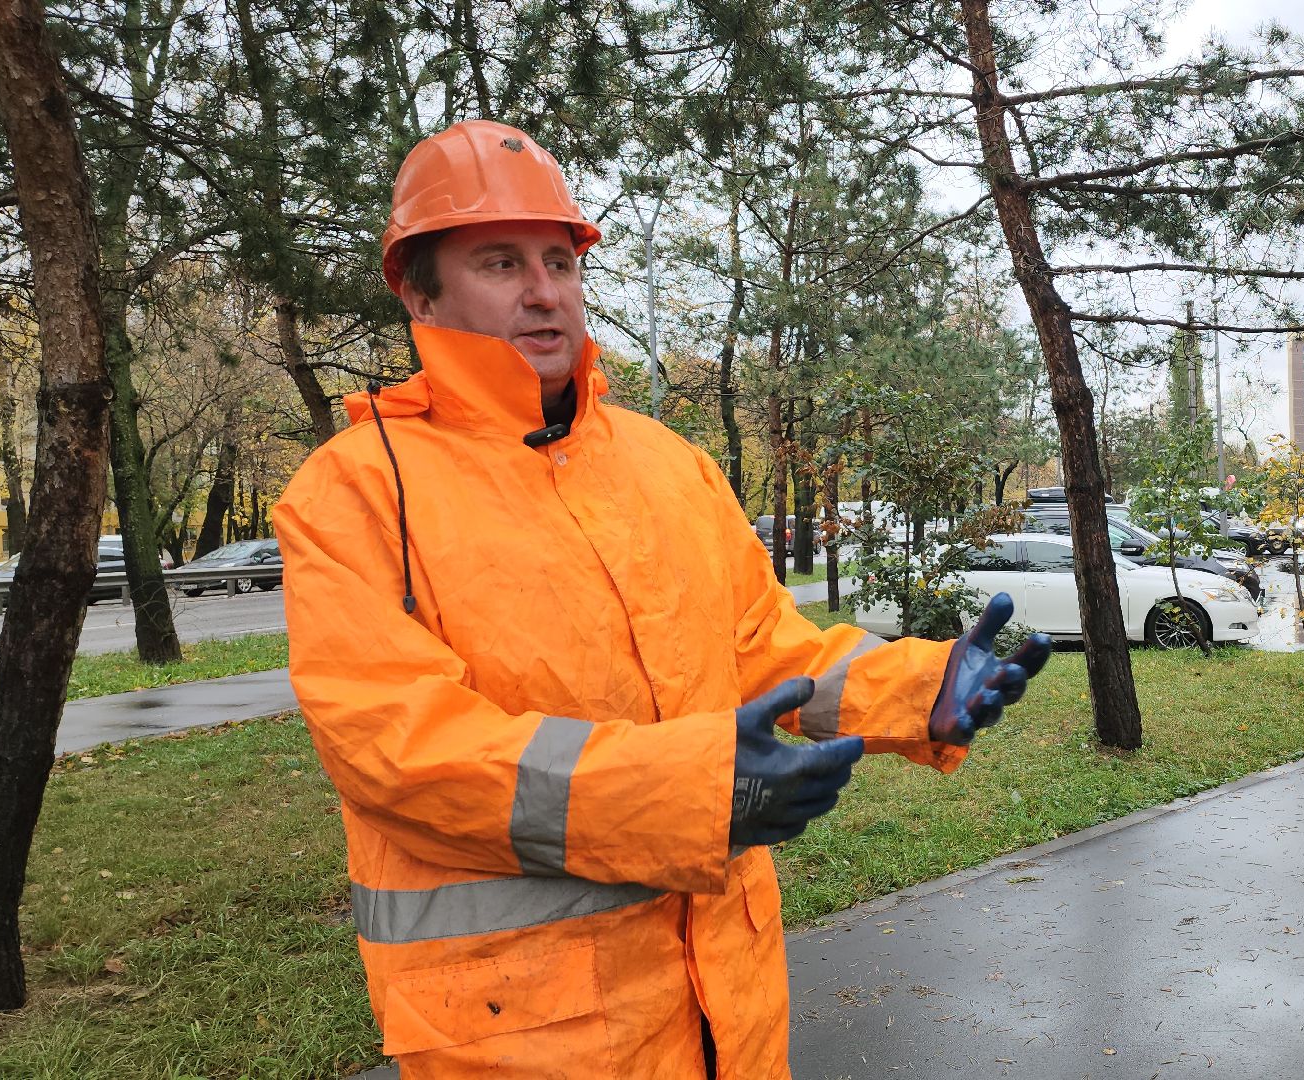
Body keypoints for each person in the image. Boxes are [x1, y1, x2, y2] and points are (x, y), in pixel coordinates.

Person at [276, 119, 1051, 1079]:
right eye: (499, 261)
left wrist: (919, 690)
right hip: (529, 1034)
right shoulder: (355, 490)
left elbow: (763, 648)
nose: (542, 291)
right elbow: (397, 748)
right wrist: (693, 791)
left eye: (560, 260)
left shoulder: (667, 464)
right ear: (416, 288)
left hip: (729, 1000)